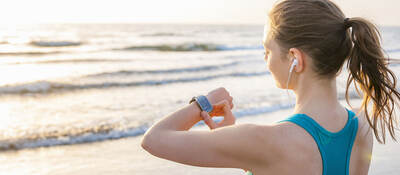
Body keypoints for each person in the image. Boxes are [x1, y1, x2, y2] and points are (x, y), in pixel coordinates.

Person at [141, 0, 400, 174]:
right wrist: (245, 152)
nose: (265, 59)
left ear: (295, 59)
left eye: (267, 50)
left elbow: (153, 140)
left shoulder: (265, 141)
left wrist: (204, 104)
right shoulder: (362, 126)